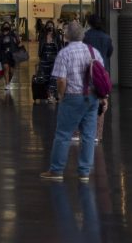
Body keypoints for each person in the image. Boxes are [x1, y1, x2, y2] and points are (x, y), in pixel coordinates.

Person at [41, 21, 105, 182]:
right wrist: (104, 98)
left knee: (63, 134)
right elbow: (102, 77)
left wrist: (61, 96)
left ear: (67, 36)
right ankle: (84, 172)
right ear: (82, 35)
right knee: (89, 136)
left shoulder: (64, 53)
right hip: (92, 98)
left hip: (72, 97)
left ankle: (56, 170)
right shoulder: (93, 52)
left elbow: (61, 80)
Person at [84, 14, 114, 142]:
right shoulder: (107, 37)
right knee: (102, 102)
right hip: (102, 73)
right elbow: (109, 53)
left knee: (86, 101)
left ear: (89, 23)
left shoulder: (85, 36)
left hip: (88, 73)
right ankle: (97, 134)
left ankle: (85, 131)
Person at [0, 21, 22, 91]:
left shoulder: (13, 34)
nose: (6, 26)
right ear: (3, 27)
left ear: (9, 27)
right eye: (5, 25)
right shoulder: (1, 36)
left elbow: (18, 43)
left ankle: (8, 82)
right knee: (6, 68)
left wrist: (18, 41)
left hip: (12, 55)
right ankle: (7, 84)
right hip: (4, 54)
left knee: (11, 71)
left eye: (7, 25)